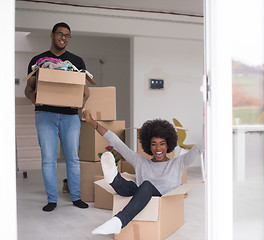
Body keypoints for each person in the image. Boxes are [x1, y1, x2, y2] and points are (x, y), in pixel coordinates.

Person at [82, 109, 203, 235]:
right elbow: (117, 143)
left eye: (162, 144)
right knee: (132, 187)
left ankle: (119, 220)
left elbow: (199, 148)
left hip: (162, 199)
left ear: (168, 145)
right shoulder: (141, 162)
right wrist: (91, 121)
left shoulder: (179, 163)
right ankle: (113, 178)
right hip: (140, 196)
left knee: (146, 185)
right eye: (154, 144)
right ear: (148, 146)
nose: (158, 148)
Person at [24, 22, 90, 212]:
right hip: (45, 115)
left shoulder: (77, 62)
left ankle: (76, 197)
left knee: (73, 158)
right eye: (60, 34)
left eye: (67, 35)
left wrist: (80, 103)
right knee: (48, 159)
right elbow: (28, 88)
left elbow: (86, 92)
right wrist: (32, 97)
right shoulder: (38, 60)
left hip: (70, 116)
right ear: (52, 35)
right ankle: (52, 199)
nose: (63, 38)